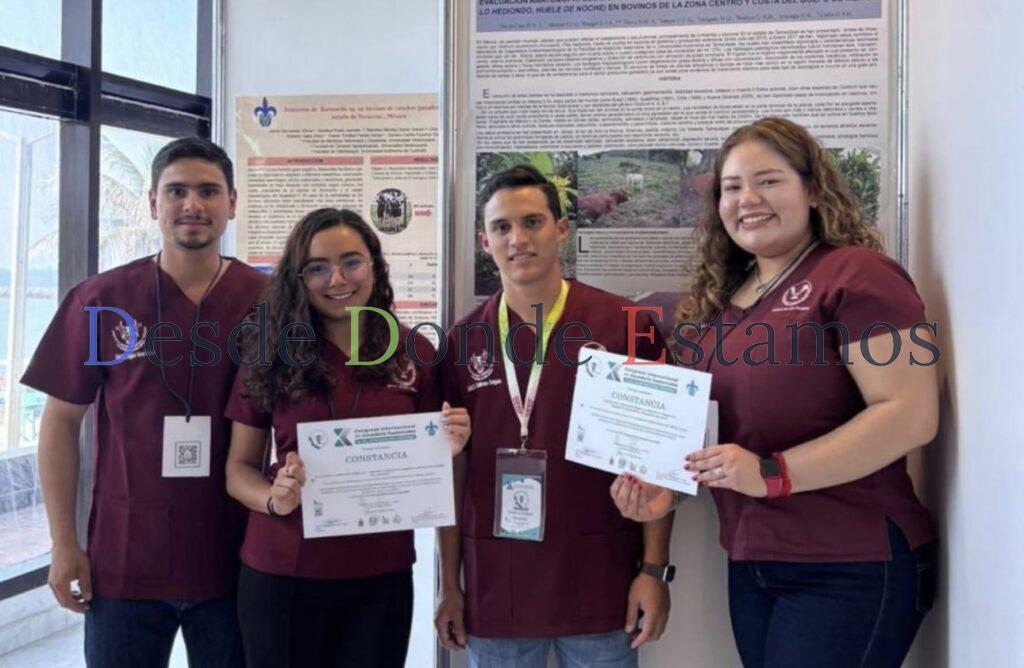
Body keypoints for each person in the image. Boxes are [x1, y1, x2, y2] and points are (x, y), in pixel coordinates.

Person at [611, 117, 939, 668]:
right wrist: (665, 489)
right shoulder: (724, 301)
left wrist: (771, 474)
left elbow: (910, 414)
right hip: (754, 565)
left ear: (812, 189)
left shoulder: (859, 275)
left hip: (850, 563)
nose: (748, 199)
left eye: (768, 181)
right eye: (732, 187)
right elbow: (713, 434)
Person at [22, 137, 266, 666]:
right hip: (124, 563)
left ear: (232, 203)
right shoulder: (101, 300)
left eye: (208, 191)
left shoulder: (266, 302)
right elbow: (60, 423)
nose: (192, 204)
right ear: (154, 203)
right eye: (176, 191)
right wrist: (64, 544)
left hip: (237, 560)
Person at [435, 165, 675, 667]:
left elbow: (658, 457)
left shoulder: (624, 326)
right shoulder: (462, 341)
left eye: (532, 222)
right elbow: (451, 470)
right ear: (484, 241)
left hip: (600, 580)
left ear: (561, 228)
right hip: (496, 588)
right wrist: (449, 585)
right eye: (502, 227)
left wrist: (653, 571)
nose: (518, 239)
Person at [224, 207, 471, 668]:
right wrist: (274, 498)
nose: (337, 279)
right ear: (298, 279)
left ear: (374, 265)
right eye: (317, 267)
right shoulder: (270, 350)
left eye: (351, 262)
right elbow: (237, 471)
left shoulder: (414, 352)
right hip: (283, 573)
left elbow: (446, 477)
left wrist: (449, 444)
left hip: (380, 578)